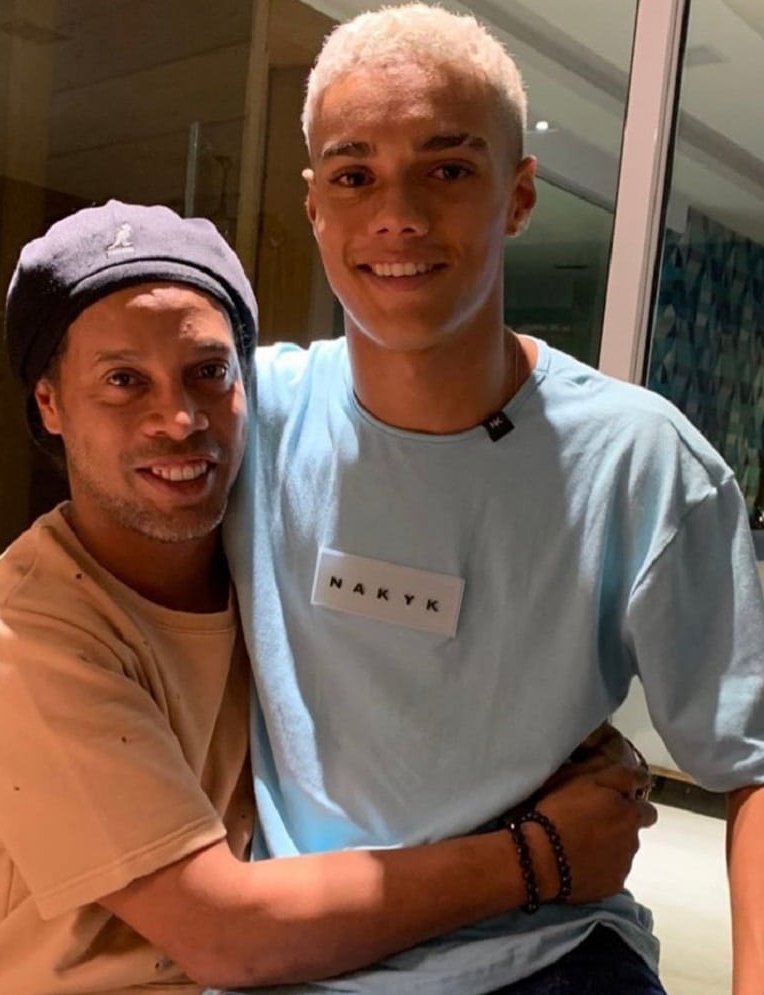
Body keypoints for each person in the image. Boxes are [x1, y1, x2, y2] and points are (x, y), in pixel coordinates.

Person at [0, 200, 652, 995]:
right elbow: (225, 934)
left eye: (208, 372)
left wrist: (563, 741)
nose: (178, 419)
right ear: (50, 403)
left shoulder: (270, 559)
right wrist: (542, 856)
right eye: (123, 381)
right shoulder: (18, 636)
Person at [224, 4, 764, 994]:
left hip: (547, 951)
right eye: (354, 175)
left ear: (517, 197)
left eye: (447, 170)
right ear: (315, 208)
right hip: (304, 944)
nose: (397, 214)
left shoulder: (641, 464)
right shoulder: (244, 424)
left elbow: (750, 759)